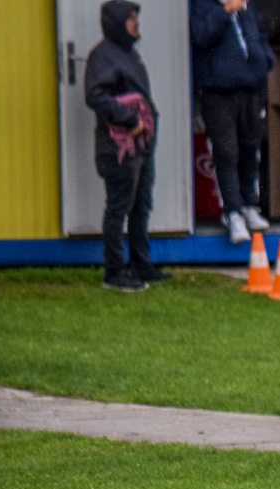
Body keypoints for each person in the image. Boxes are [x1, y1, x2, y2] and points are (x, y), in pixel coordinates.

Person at [84, 1, 171, 292]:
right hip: (118, 147)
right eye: (132, 19)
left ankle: (140, 264)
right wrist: (131, 119)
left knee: (141, 204)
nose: (137, 24)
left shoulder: (128, 53)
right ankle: (114, 271)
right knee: (118, 207)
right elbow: (95, 96)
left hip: (141, 144)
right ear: (117, 22)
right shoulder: (102, 56)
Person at [191, 0, 274, 244]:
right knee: (226, 152)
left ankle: (249, 206)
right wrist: (225, 11)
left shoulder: (247, 6)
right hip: (218, 91)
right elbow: (201, 36)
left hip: (251, 88)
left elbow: (259, 32)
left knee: (251, 147)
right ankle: (233, 212)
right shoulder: (202, 6)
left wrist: (266, 59)